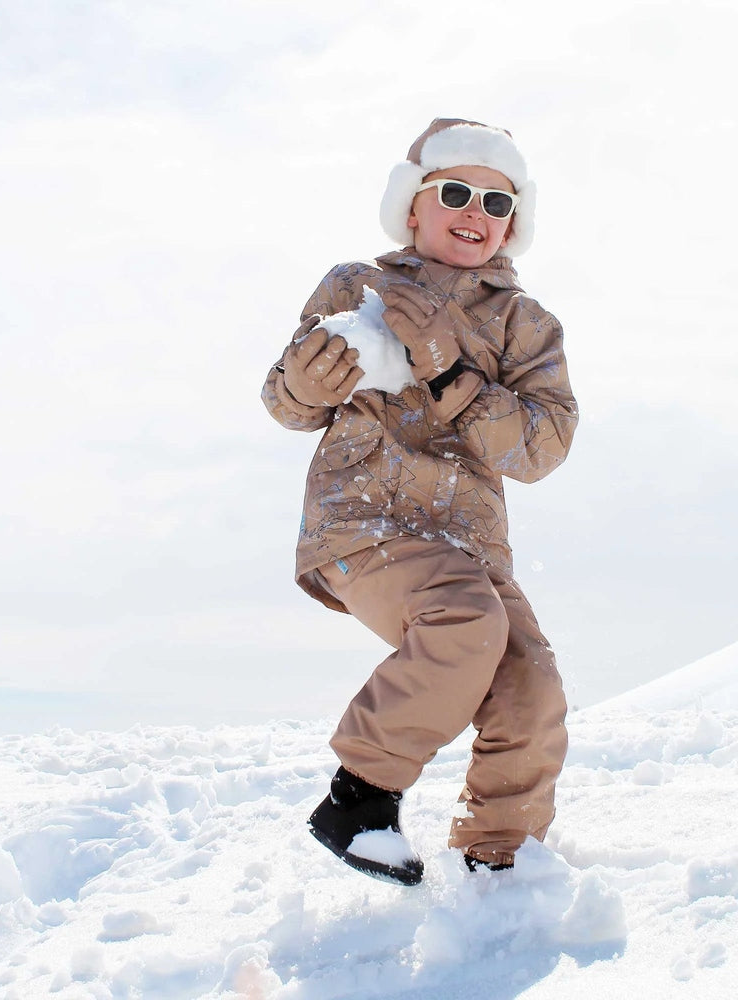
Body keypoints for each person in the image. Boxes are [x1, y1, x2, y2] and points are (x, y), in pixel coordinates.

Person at [262, 118, 578, 886]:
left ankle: (499, 861)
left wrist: (450, 370)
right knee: (465, 619)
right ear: (413, 206)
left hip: (468, 543)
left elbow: (541, 447)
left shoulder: (526, 326)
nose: (476, 213)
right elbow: (287, 401)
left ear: (514, 223)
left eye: (497, 203)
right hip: (363, 520)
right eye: (456, 193)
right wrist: (306, 382)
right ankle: (359, 799)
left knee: (529, 684)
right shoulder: (356, 286)